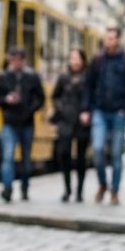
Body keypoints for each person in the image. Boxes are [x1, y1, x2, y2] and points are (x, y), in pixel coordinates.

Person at [82, 28, 125, 205]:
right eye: (106, 38)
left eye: (111, 38)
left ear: (118, 40)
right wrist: (87, 109)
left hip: (118, 112)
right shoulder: (98, 60)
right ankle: (102, 183)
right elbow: (88, 85)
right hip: (100, 110)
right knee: (98, 150)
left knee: (116, 153)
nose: (108, 41)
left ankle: (115, 190)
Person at [0, 46, 46, 202]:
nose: (15, 63)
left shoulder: (32, 77)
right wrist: (6, 100)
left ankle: (24, 187)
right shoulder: (4, 77)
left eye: (18, 60)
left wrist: (30, 109)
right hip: (9, 121)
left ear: (24, 61)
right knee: (8, 156)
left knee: (26, 158)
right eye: (13, 60)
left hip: (26, 122)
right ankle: (7, 188)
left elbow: (40, 98)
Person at [49, 48, 90, 202]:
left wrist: (87, 112)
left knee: (81, 157)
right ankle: (67, 188)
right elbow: (55, 96)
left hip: (81, 122)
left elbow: (91, 96)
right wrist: (61, 108)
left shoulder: (87, 78)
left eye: (77, 58)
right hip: (65, 121)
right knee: (64, 153)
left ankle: (79, 190)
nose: (74, 62)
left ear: (83, 60)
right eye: (72, 58)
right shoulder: (64, 77)